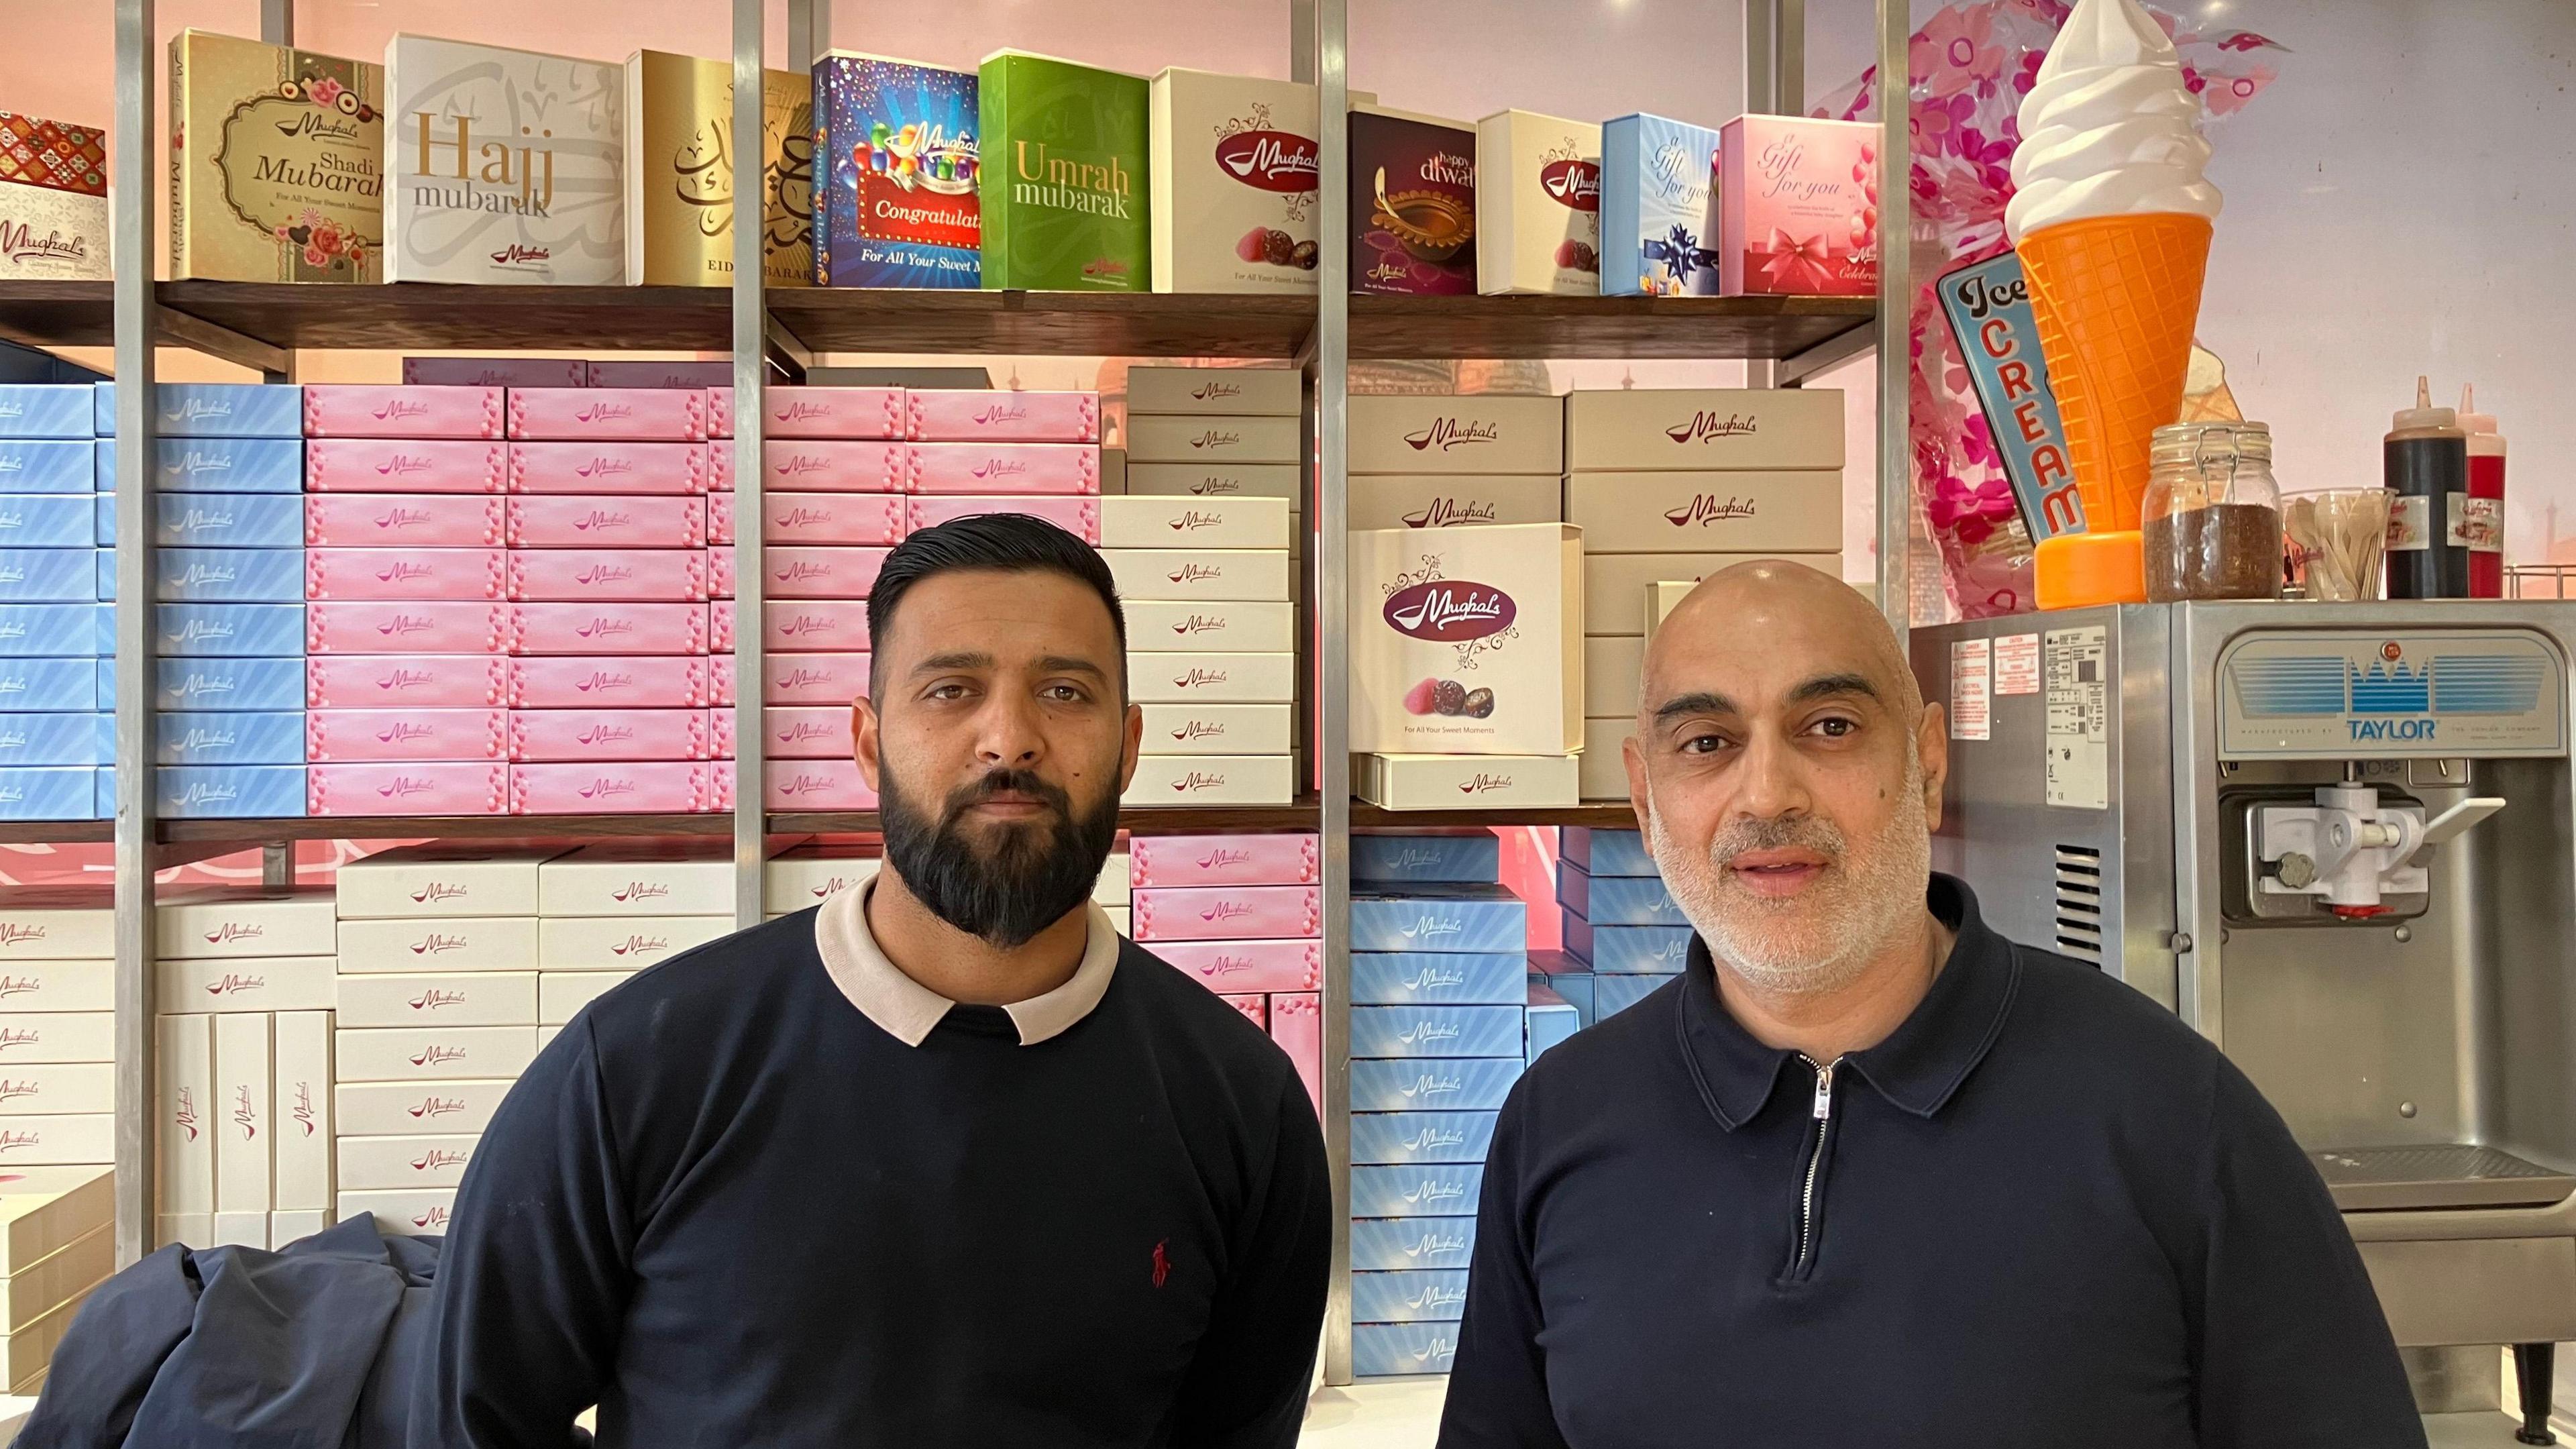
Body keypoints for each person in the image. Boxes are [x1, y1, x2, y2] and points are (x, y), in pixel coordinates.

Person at [1438, 562, 2426, 1447]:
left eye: (1829, 727)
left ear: (1929, 766)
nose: (1767, 793)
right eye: (1707, 742)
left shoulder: (2169, 1113)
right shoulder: (1560, 1121)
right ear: (1647, 801)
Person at [421, 515, 1331, 1447]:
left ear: (1129, 744)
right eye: (951, 690)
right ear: (867, 742)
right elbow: (474, 1421)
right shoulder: (638, 1070)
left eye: (1064, 691)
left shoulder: (1241, 1108)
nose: (1009, 740)